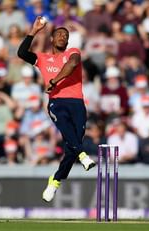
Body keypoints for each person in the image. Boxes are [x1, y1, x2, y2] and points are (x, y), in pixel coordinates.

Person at [17, 16, 96, 202]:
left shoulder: (72, 52)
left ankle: (55, 180)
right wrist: (33, 31)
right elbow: (21, 53)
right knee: (71, 138)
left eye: (65, 35)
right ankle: (83, 155)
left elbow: (73, 64)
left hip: (77, 102)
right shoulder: (43, 58)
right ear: (52, 39)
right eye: (59, 34)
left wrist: (54, 80)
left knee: (71, 146)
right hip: (57, 102)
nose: (62, 37)